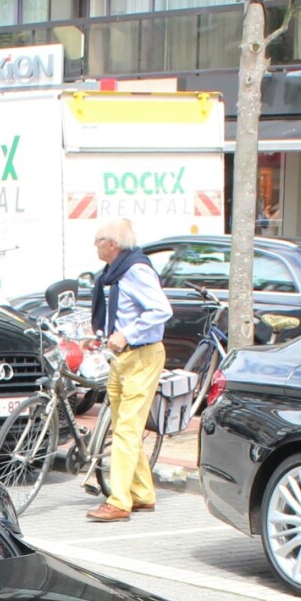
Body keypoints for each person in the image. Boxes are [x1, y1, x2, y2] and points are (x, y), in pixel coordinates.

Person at [85, 218, 169, 525]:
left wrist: (127, 333)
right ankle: (143, 492)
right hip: (121, 358)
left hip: (141, 355)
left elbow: (161, 309)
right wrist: (103, 332)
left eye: (97, 241)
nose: (94, 246)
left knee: (126, 430)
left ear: (112, 244)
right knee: (123, 424)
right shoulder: (113, 274)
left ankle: (119, 500)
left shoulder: (136, 270)